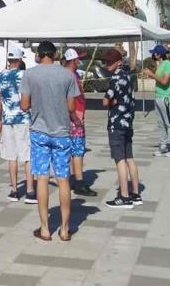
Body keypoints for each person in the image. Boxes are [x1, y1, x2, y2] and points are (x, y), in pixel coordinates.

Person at [20, 41, 79, 242]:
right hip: (62, 132)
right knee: (63, 179)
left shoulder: (29, 74)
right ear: (54, 55)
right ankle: (64, 229)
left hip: (39, 132)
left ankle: (45, 228)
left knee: (42, 178)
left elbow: (24, 104)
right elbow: (71, 107)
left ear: (39, 54)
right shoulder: (67, 75)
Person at [0, 45, 35, 203]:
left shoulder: (0, 76)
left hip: (7, 119)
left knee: (11, 157)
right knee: (27, 156)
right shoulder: (25, 75)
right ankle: (30, 191)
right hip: (24, 119)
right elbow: (31, 97)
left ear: (9, 60)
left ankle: (14, 190)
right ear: (20, 59)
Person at [102, 49, 141, 209]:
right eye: (106, 62)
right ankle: (136, 193)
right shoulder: (127, 76)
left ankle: (124, 196)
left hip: (116, 123)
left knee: (120, 160)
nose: (107, 65)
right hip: (128, 122)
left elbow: (105, 101)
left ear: (119, 62)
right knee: (129, 158)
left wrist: (112, 103)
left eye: (110, 62)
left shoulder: (115, 78)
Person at [63, 48, 96, 197]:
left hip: (74, 114)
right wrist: (75, 117)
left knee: (73, 149)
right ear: (73, 60)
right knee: (77, 149)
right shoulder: (69, 76)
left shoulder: (70, 74)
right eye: (78, 59)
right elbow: (69, 100)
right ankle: (79, 181)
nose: (80, 61)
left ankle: (71, 178)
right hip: (74, 116)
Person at [144, 44, 170, 157]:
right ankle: (163, 146)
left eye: (154, 53)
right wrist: (151, 75)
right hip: (159, 96)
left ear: (158, 54)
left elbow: (165, 81)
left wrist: (151, 74)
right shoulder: (161, 64)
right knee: (161, 123)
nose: (152, 55)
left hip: (165, 97)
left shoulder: (167, 64)